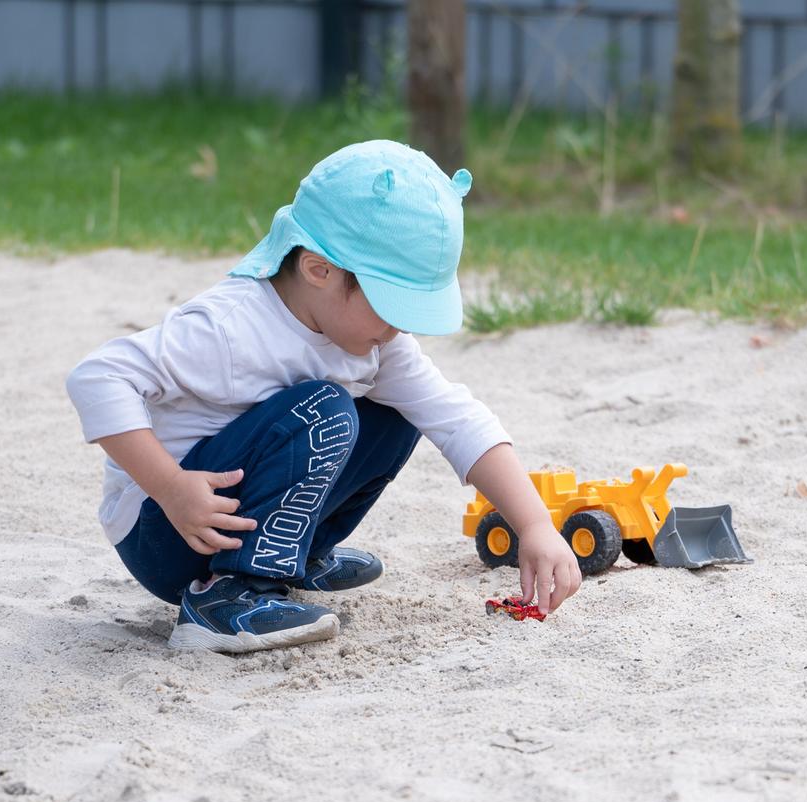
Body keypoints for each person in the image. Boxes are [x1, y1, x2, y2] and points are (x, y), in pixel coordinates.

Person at [65, 140, 582, 654]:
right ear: (319, 270)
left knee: (398, 411)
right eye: (390, 304)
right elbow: (99, 378)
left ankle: (296, 550)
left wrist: (534, 525)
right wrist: (172, 486)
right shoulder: (229, 327)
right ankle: (227, 597)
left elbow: (456, 418)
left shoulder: (379, 344)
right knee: (323, 411)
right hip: (171, 528)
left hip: (227, 513)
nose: (400, 327)